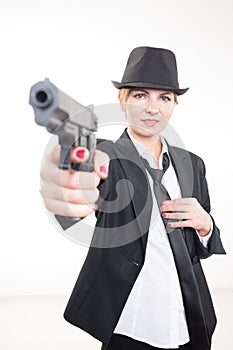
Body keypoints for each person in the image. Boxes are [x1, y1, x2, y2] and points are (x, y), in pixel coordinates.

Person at [40, 47, 226, 350]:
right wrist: (69, 178)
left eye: (164, 98)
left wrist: (205, 226)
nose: (152, 108)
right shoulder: (107, 156)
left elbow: (202, 248)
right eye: (140, 95)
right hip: (131, 321)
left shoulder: (193, 164)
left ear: (174, 105)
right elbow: (81, 177)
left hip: (191, 320)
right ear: (122, 99)